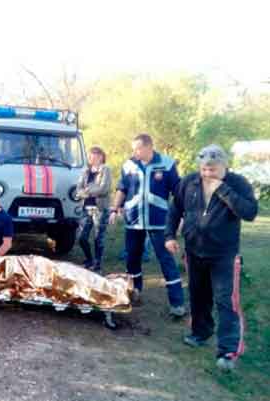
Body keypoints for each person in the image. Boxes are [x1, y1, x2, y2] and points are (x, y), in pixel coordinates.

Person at [165, 144, 258, 371]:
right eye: (204, 170)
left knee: (226, 300)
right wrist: (169, 235)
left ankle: (228, 350)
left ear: (224, 166)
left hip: (224, 254)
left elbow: (250, 212)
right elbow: (175, 208)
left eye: (213, 170)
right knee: (198, 295)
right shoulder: (189, 182)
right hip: (194, 250)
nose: (208, 174)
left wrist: (222, 190)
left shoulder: (237, 183)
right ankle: (200, 332)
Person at [109, 133, 185, 316]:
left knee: (166, 261)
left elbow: (178, 192)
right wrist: (114, 209)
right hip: (133, 220)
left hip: (160, 221)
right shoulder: (128, 165)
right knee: (132, 258)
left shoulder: (167, 164)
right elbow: (122, 188)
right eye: (133, 148)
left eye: (137, 148)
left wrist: (182, 216)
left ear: (149, 147)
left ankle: (177, 304)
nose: (134, 152)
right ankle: (135, 293)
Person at [75, 146, 112, 273]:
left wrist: (87, 191)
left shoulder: (106, 170)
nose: (92, 158)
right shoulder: (85, 171)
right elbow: (78, 189)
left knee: (98, 238)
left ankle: (97, 265)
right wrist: (88, 191)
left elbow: (104, 189)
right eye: (90, 156)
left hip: (100, 208)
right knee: (81, 237)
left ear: (101, 157)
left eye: (95, 155)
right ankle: (89, 259)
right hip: (86, 208)